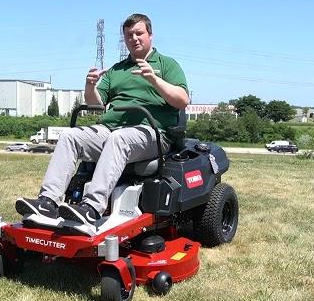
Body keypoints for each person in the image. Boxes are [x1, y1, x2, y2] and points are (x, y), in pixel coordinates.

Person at [16, 13, 189, 227]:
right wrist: (90, 86)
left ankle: (91, 208)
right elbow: (96, 105)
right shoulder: (116, 70)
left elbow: (182, 100)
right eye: (128, 35)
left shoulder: (167, 65)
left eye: (139, 33)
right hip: (111, 129)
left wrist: (153, 79)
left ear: (150, 35)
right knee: (70, 136)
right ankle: (47, 202)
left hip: (152, 133)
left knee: (119, 138)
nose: (133, 38)